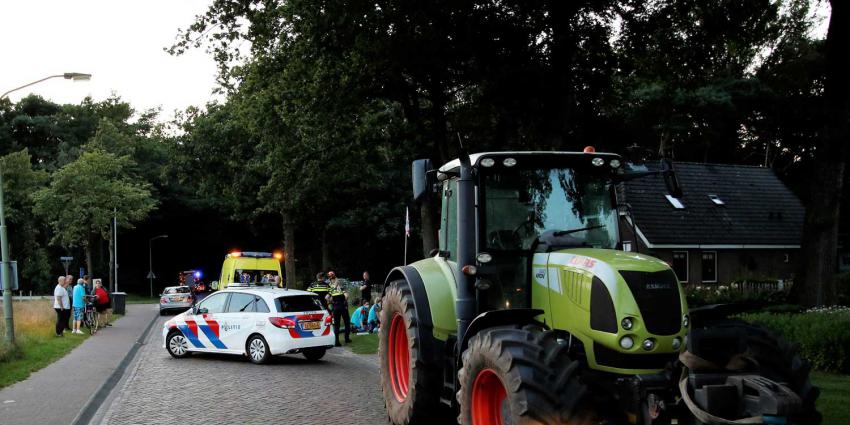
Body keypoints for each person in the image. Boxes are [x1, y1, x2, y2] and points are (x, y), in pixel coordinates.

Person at [326, 272, 351, 346]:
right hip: (342, 306)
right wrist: (345, 301)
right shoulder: (340, 284)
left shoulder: (330, 286)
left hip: (335, 306)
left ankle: (337, 342)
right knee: (347, 322)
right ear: (335, 277)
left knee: (336, 324)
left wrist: (331, 302)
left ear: (329, 278)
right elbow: (346, 296)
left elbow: (327, 297)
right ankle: (346, 339)